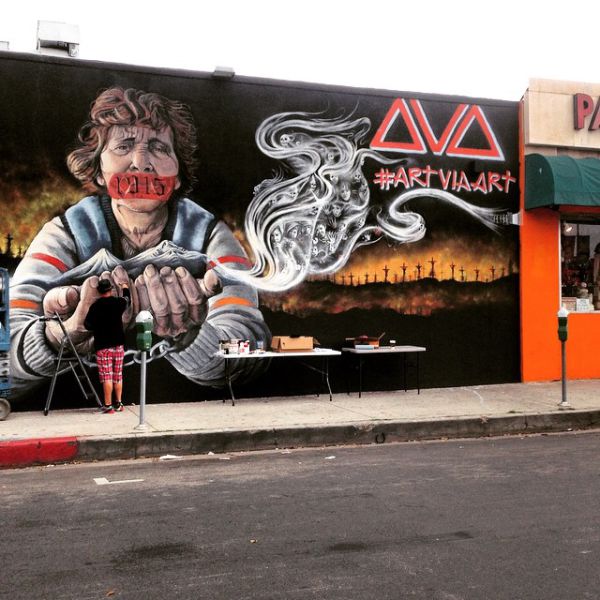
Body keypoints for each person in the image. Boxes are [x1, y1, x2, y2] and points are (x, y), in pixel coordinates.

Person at [9, 87, 271, 399]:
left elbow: (248, 348)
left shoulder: (209, 235)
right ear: (99, 171)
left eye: (159, 148)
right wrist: (61, 335)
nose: (141, 162)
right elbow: (6, 348)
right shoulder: (68, 232)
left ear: (177, 175)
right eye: (123, 146)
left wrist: (189, 338)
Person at [84, 279, 130, 413]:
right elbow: (127, 299)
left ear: (99, 291)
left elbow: (87, 325)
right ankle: (119, 404)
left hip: (103, 346)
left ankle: (108, 406)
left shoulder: (95, 306)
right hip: (118, 345)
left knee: (107, 376)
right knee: (118, 375)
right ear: (111, 289)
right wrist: (125, 286)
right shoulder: (118, 303)